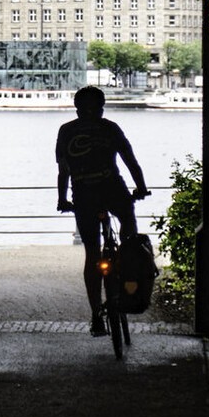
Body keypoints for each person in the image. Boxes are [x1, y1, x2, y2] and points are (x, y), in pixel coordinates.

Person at [55, 86, 148, 336]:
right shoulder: (110, 128)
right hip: (113, 190)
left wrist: (62, 199)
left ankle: (96, 315)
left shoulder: (66, 131)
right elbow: (131, 161)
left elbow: (64, 171)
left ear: (76, 109)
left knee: (92, 255)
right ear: (102, 107)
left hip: (84, 196)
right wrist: (141, 188)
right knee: (128, 223)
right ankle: (127, 262)